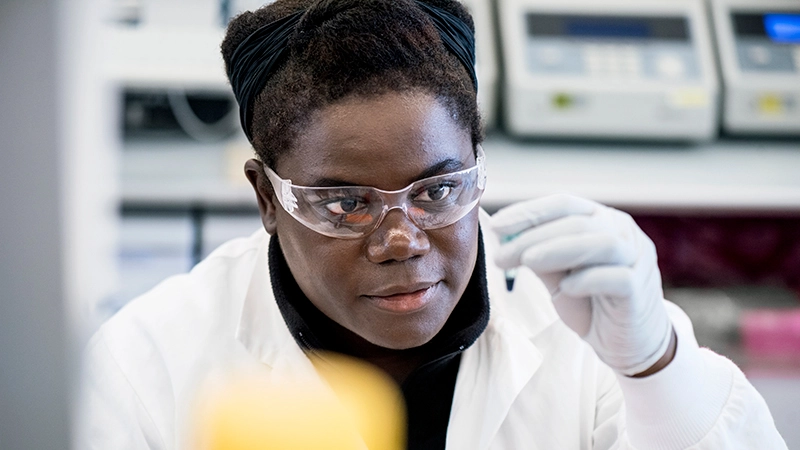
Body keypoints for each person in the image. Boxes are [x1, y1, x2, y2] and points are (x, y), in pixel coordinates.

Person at [80, 0, 787, 448]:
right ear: (268, 197)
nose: (401, 241)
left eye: (438, 190)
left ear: (478, 166)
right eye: (346, 203)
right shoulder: (150, 362)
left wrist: (654, 365)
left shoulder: (586, 330)